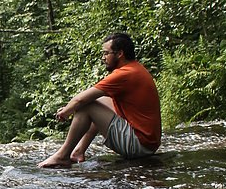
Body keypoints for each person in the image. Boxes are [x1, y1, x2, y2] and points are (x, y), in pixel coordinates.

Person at [38, 33, 161, 168]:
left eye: (106, 53)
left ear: (120, 54)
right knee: (101, 100)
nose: (103, 58)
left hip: (139, 146)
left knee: (87, 106)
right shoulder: (135, 68)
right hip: (148, 144)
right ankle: (78, 152)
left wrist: (65, 111)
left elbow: (80, 99)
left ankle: (62, 156)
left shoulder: (125, 74)